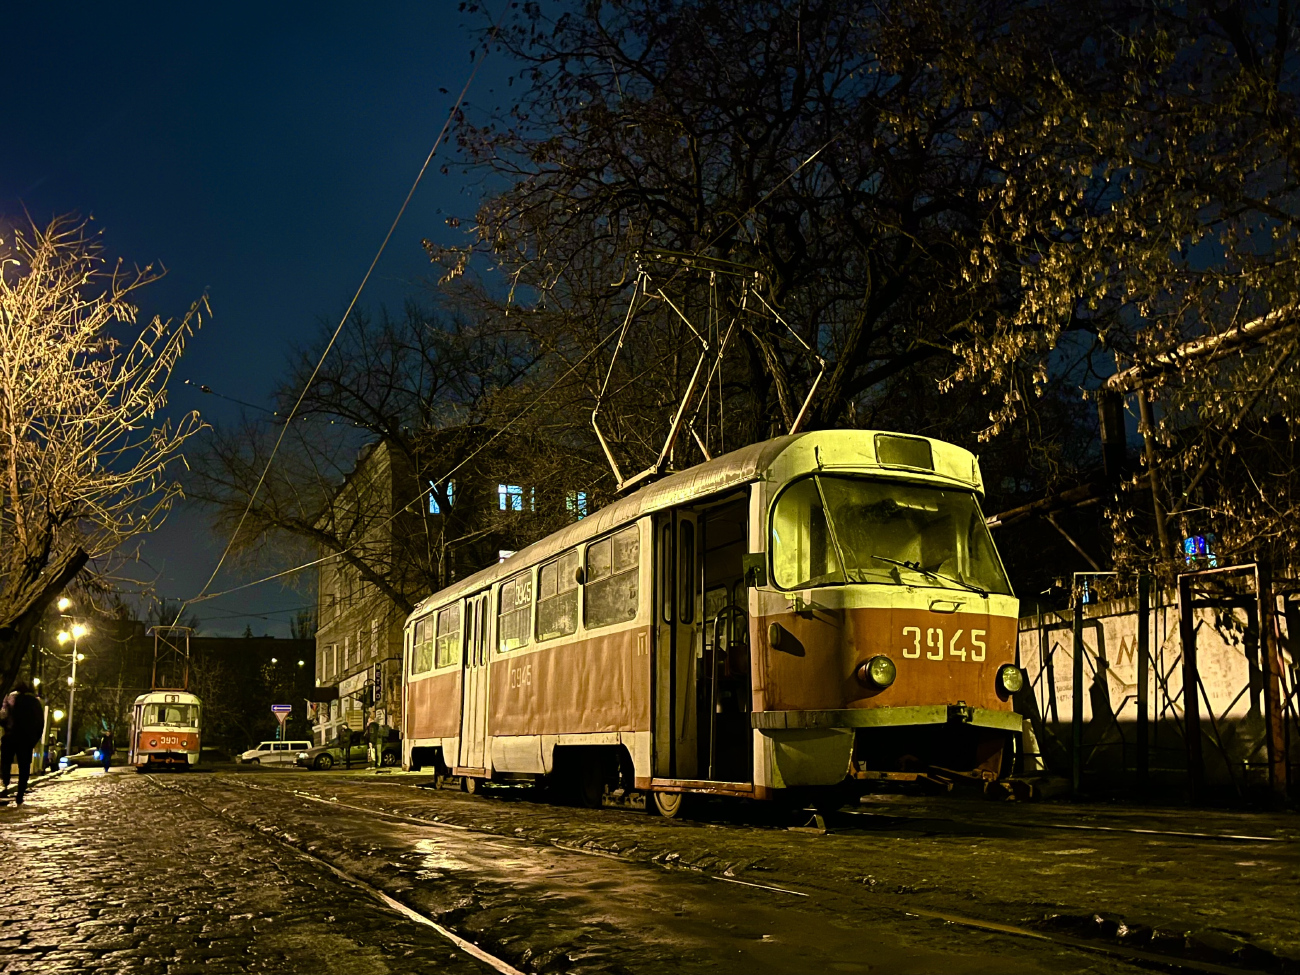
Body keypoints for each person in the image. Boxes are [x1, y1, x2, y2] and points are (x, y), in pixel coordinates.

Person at [0, 681, 46, 806]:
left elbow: (3, 716)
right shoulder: (35, 703)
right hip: (26, 739)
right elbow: (40, 722)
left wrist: (5, 726)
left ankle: (6, 779)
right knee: (24, 766)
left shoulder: (10, 698)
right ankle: (20, 794)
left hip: (11, 735)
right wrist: (34, 739)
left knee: (6, 760)